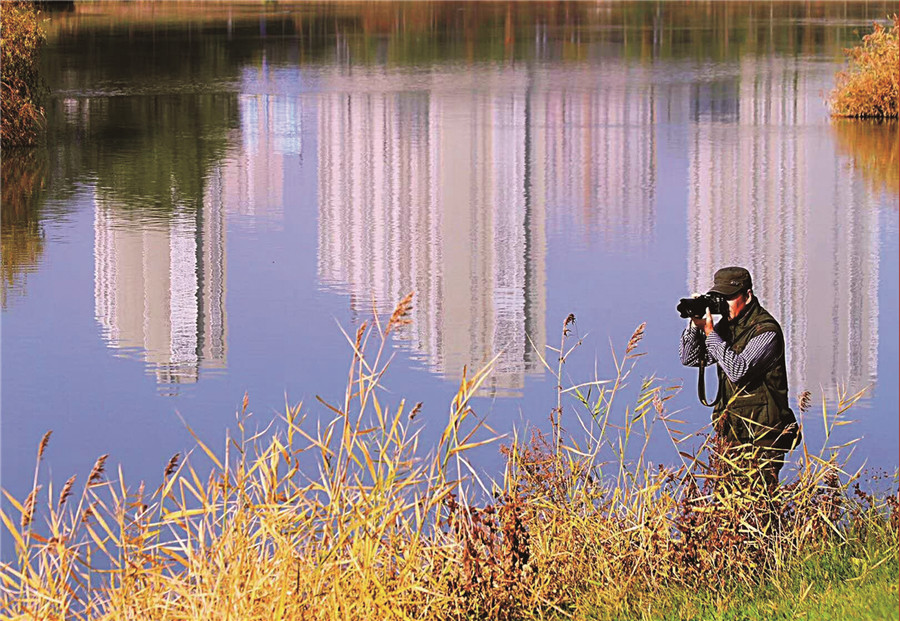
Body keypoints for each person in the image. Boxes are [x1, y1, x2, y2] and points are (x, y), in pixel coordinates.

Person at [679, 266, 800, 489]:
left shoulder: (766, 331)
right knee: (728, 506)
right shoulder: (726, 327)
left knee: (760, 507)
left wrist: (710, 333)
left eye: (730, 297)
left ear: (748, 295)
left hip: (762, 436)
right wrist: (695, 326)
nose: (725, 304)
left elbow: (738, 371)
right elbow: (690, 358)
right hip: (731, 432)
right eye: (720, 298)